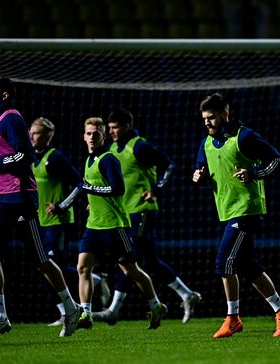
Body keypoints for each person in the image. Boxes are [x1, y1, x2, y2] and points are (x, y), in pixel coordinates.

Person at [0, 77, 82, 338]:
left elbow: (26, 156)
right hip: (1, 197)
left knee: (41, 261)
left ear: (5, 94)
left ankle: (71, 309)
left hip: (18, 198)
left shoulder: (11, 118)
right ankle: (0, 317)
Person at [192, 93, 280, 339]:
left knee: (224, 262)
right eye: (204, 118)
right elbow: (201, 169)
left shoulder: (244, 136)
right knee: (248, 266)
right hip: (228, 211)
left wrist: (254, 173)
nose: (207, 123)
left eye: (212, 118)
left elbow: (276, 158)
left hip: (247, 208)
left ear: (225, 114)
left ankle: (233, 318)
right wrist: (199, 175)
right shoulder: (206, 142)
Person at [92, 108, 201, 325]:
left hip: (142, 211)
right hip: (123, 213)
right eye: (110, 128)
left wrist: (156, 189)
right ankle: (187, 295)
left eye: (115, 127)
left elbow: (168, 165)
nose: (111, 131)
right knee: (150, 261)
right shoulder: (113, 147)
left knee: (128, 257)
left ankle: (114, 310)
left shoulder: (140, 146)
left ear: (127, 126)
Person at [75, 116, 167, 330]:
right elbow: (95, 188)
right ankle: (85, 314)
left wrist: (91, 191)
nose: (91, 137)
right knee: (83, 267)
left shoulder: (108, 159)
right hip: (94, 225)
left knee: (130, 270)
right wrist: (92, 201)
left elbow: (118, 189)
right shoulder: (88, 160)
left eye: (96, 133)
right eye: (88, 133)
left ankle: (155, 305)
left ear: (103, 136)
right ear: (83, 136)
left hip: (115, 226)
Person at [29, 117, 110, 327]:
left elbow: (79, 183)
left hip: (59, 222)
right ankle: (65, 310)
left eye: (36, 133)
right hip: (40, 222)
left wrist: (61, 206)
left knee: (53, 265)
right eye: (31, 132)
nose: (31, 136)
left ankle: (92, 285)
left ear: (47, 136)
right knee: (44, 268)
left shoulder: (54, 158)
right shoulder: (31, 158)